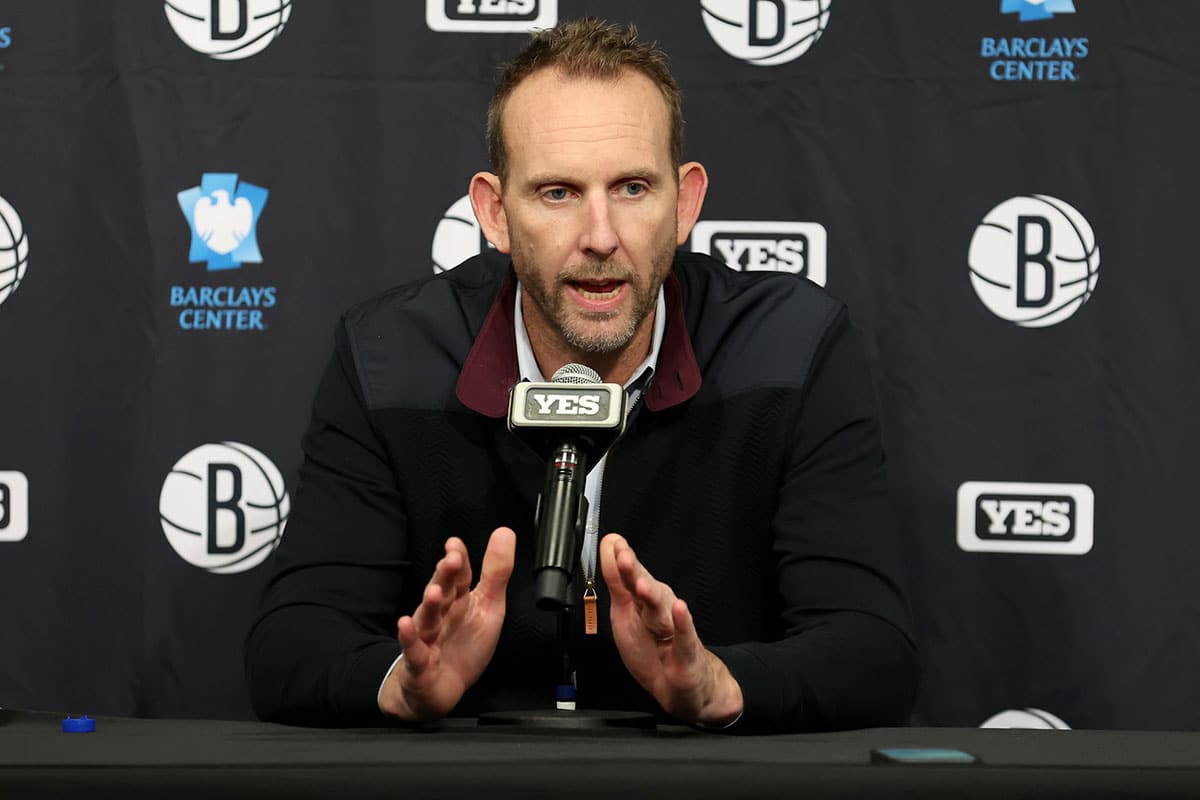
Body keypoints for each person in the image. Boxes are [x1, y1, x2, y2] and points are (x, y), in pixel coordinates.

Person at [245, 17, 918, 732]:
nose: (600, 237)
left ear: (684, 203)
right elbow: (291, 644)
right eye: (557, 193)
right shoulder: (391, 356)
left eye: (632, 188)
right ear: (495, 213)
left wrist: (719, 685)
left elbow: (874, 649)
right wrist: (398, 686)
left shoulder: (790, 348)